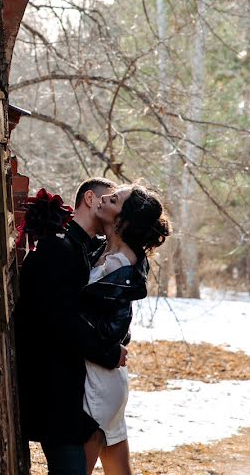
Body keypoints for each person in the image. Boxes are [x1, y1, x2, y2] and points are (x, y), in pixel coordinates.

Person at [16, 177, 128, 474]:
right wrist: (109, 352)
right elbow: (60, 321)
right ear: (91, 199)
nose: (112, 208)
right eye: (110, 200)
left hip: (79, 394)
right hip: (54, 390)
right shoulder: (58, 248)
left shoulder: (90, 251)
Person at [79, 185, 171, 475]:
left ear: (123, 221)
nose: (104, 197)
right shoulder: (103, 250)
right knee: (119, 470)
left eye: (114, 199)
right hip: (104, 375)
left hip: (99, 382)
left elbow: (108, 329)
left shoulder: (122, 265)